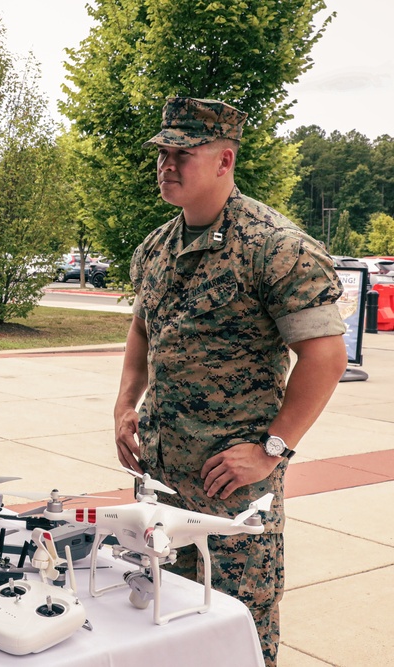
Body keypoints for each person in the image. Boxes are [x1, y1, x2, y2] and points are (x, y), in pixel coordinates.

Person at [113, 97, 348, 667]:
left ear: (224, 161)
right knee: (159, 626)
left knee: (236, 635)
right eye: (163, 153)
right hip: (164, 484)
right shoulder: (156, 248)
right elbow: (144, 332)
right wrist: (125, 406)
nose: (167, 165)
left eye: (183, 154)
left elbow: (326, 357)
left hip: (233, 496)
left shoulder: (275, 246)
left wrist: (272, 449)